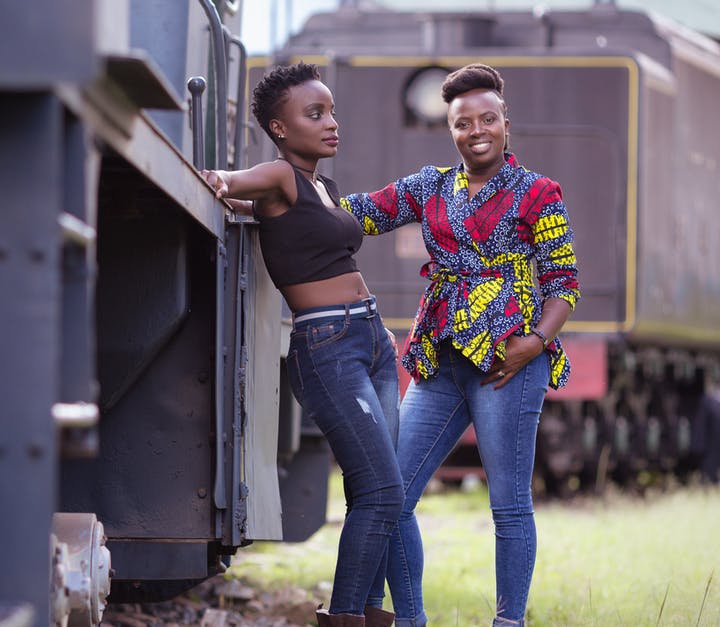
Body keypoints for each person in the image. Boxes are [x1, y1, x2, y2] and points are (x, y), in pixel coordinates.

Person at [340, 64, 580, 626]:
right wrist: (284, 195)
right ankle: (411, 620)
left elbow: (565, 283)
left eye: (487, 119)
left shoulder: (538, 193)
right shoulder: (429, 187)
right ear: (449, 130)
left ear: (505, 123)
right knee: (391, 494)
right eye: (462, 122)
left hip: (509, 364)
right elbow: (360, 212)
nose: (477, 131)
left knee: (509, 506)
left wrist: (536, 343)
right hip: (441, 360)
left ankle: (508, 621)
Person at [201, 62, 402, 627]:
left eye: (332, 110)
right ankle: (346, 617)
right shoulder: (281, 176)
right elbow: (235, 182)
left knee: (380, 491)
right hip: (329, 344)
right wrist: (222, 182)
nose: (331, 122)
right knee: (383, 490)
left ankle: (367, 613)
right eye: (315, 114)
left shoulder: (321, 185)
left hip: (371, 339)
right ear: (280, 127)